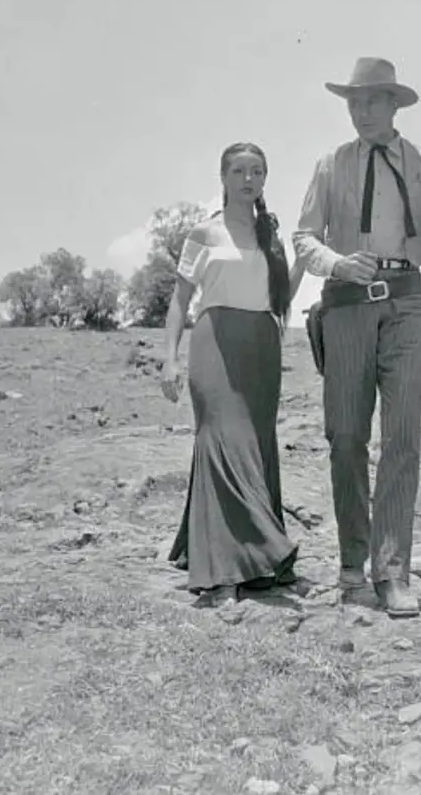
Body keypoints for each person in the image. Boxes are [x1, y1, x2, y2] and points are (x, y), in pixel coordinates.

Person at [292, 57, 421, 618]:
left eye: (371, 101)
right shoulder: (331, 164)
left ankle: (392, 573)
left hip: (407, 304)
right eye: (353, 103)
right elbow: (304, 238)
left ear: (394, 104)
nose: (361, 112)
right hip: (345, 305)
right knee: (345, 436)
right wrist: (338, 263)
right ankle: (351, 564)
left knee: (402, 438)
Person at [161, 142, 305, 607]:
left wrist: (303, 262)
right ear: (223, 178)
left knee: (255, 448)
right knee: (221, 442)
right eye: (239, 171)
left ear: (265, 179)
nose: (248, 179)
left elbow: (280, 300)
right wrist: (169, 358)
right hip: (215, 342)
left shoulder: (270, 236)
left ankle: (258, 564)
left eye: (257, 171)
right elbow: (180, 300)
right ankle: (222, 573)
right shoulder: (204, 233)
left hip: (261, 347)